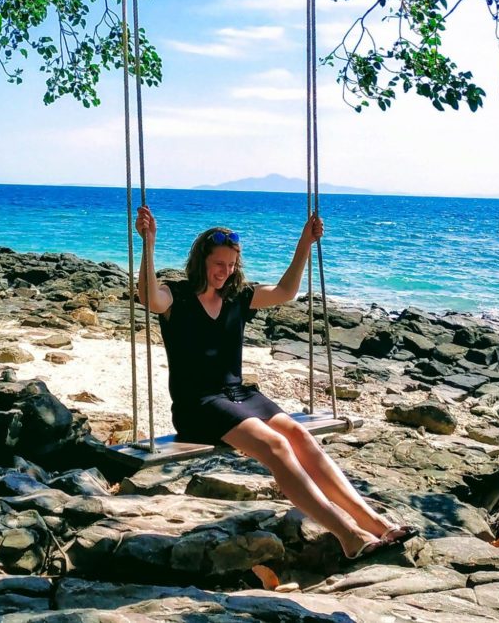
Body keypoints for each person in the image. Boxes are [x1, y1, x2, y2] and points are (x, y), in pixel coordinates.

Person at [134, 205, 418, 560]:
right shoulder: (176, 295)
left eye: (231, 264)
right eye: (219, 264)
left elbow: (286, 291)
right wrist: (148, 242)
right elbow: (148, 298)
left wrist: (305, 243)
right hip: (199, 405)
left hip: (240, 394)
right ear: (201, 261)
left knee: (299, 435)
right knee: (276, 446)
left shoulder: (238, 296)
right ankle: (348, 535)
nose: (225, 271)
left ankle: (375, 523)